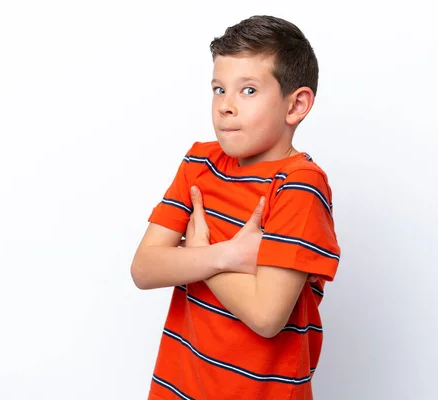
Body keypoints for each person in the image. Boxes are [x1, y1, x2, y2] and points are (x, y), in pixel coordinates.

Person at [131, 15, 341, 400]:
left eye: (247, 91)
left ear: (296, 105)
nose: (225, 106)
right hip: (178, 388)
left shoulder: (299, 186)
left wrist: (195, 255)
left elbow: (266, 315)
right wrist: (226, 254)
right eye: (218, 89)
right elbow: (144, 269)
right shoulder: (199, 163)